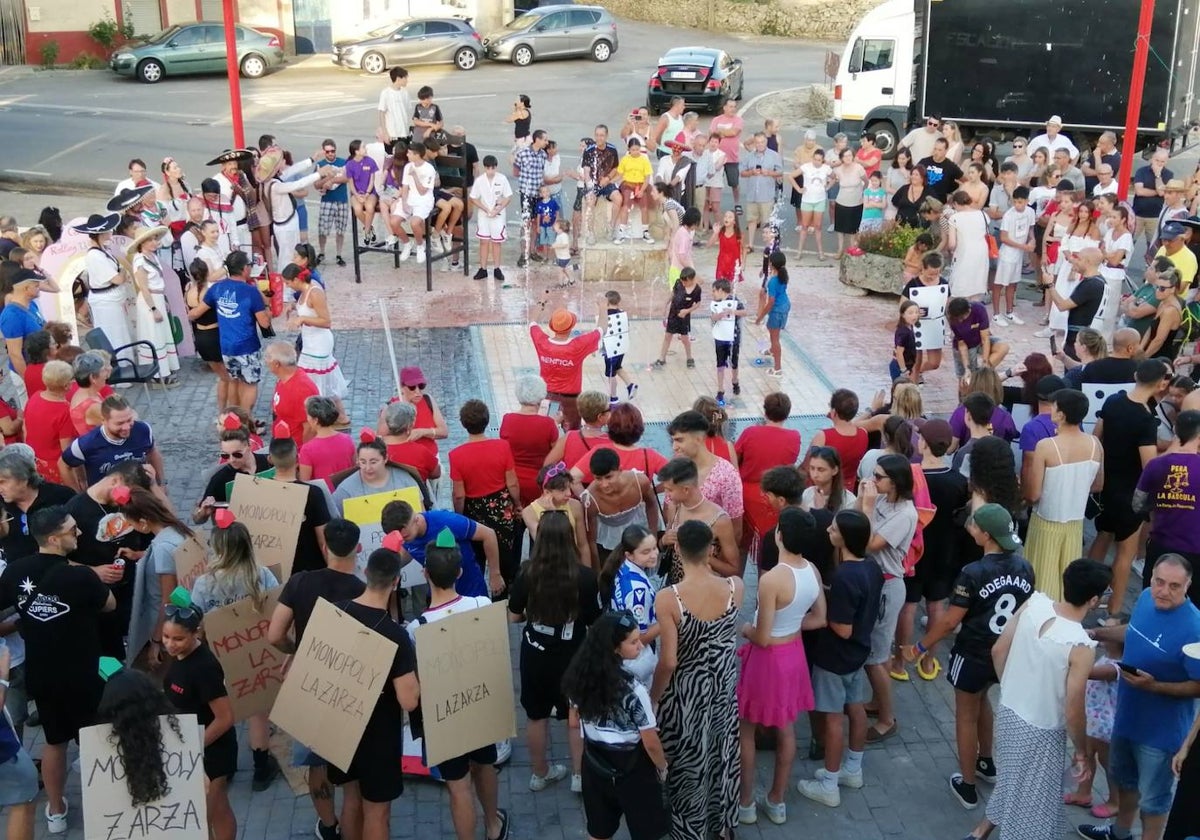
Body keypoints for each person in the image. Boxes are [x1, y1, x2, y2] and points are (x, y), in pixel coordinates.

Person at [963, 560, 1109, 840]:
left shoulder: (1033, 603)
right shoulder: (1080, 646)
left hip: (1008, 710)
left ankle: (980, 832)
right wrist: (1081, 752)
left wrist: (1013, 686)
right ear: (1094, 600)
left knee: (1012, 781)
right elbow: (1073, 708)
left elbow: (998, 650)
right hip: (1040, 730)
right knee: (1032, 809)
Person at [905, 504, 1034, 810]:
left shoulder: (973, 572)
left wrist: (919, 647)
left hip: (973, 651)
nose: (970, 528)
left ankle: (967, 783)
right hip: (1004, 653)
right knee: (984, 700)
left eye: (974, 526)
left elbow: (950, 621)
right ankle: (986, 761)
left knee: (965, 714)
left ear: (986, 535)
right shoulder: (1024, 567)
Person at [0, 506, 114, 835]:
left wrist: (20, 621)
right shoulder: (79, 575)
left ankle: (55, 809)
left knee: (54, 741)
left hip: (43, 672)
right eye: (72, 529)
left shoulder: (15, 571)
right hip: (84, 671)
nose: (78, 533)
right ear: (54, 538)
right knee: (97, 740)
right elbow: (109, 605)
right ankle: (107, 805)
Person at [1078, 555, 1200, 840]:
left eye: (1174, 586)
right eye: (1159, 582)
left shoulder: (1195, 628)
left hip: (1161, 734)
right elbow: (1134, 632)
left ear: (1188, 585)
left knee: (1154, 802)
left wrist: (1155, 687)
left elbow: (1199, 685)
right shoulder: (1146, 598)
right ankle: (1120, 834)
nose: (1163, 591)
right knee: (1125, 782)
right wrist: (1096, 632)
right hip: (1127, 717)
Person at [267, 518, 365, 840]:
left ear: (324, 547)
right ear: (358, 549)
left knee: (315, 762)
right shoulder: (363, 591)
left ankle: (328, 825)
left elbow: (274, 634)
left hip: (309, 681)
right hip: (350, 685)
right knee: (350, 763)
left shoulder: (300, 582)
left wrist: (295, 650)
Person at [406, 536, 509, 840]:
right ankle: (493, 825)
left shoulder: (417, 628)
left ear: (425, 574)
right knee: (485, 765)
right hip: (480, 703)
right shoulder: (481, 604)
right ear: (460, 573)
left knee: (458, 786)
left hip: (444, 715)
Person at [650, 519, 742, 838]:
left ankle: (691, 828)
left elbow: (670, 660)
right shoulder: (736, 587)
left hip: (686, 693)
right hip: (723, 685)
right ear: (711, 550)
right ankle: (721, 824)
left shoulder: (668, 598)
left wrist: (653, 697)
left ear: (677, 549)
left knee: (690, 760)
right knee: (721, 752)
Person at [736, 508, 825, 826]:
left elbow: (760, 636)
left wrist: (745, 629)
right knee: (786, 728)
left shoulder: (772, 579)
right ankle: (777, 799)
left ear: (780, 536)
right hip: (793, 654)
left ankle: (745, 801)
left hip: (767, 659)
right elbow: (819, 617)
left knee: (746, 728)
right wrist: (792, 629)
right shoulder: (812, 571)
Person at [325, 548, 420, 840]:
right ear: (396, 582)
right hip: (378, 735)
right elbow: (408, 700)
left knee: (351, 799)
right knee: (377, 811)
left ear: (365, 573)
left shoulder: (335, 612)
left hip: (338, 726)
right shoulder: (396, 636)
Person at [508, 512, 600, 793]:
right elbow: (594, 618)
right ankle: (579, 775)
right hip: (573, 652)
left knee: (536, 714)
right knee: (576, 714)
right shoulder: (584, 576)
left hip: (536, 650)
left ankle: (540, 773)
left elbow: (514, 616)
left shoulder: (526, 572)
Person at [797, 509, 882, 807]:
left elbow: (842, 628)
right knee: (855, 707)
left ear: (844, 539)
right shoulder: (870, 567)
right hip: (858, 653)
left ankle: (830, 784)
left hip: (835, 655)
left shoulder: (845, 575)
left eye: (833, 529)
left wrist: (821, 607)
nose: (828, 531)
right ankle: (852, 769)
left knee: (833, 719)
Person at [561, 610, 670, 840]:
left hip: (594, 763)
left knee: (598, 831)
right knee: (646, 832)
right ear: (615, 648)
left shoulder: (578, 677)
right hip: (633, 769)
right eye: (633, 642)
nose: (640, 645)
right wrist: (662, 767)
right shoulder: (634, 690)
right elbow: (650, 742)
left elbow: (573, 722)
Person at [1092, 359, 1168, 617]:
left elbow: (1097, 436)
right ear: (1160, 384)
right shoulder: (1146, 420)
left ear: (1136, 375)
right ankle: (1113, 611)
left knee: (1102, 538)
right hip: (1130, 494)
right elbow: (1149, 466)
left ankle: (1083, 592)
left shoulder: (1113, 401)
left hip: (1107, 486)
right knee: (1126, 552)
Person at [859, 453, 918, 744]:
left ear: (895, 482)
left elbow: (868, 543)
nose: (873, 480)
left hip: (887, 586)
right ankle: (876, 702)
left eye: (879, 477)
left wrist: (867, 506)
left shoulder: (905, 514)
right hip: (873, 581)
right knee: (873, 653)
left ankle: (887, 719)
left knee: (875, 656)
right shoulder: (884, 500)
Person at [1025, 389, 1104, 601]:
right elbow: (1098, 484)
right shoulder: (1095, 444)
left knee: (1042, 583)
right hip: (1075, 522)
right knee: (1067, 581)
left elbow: (1033, 494)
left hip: (1045, 521)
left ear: (1061, 414)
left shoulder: (1046, 446)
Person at [187, 251, 272, 413]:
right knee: (250, 384)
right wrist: (267, 306)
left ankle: (234, 417)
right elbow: (264, 323)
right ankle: (246, 420)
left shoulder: (217, 288)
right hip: (247, 346)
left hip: (226, 346)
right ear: (244, 269)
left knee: (234, 380)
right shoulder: (250, 291)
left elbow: (195, 313)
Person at [449, 400, 522, 585]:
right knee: (506, 555)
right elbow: (512, 483)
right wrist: (518, 504)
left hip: (474, 511)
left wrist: (459, 516)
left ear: (463, 424)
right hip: (501, 507)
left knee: (476, 559)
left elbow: (459, 495)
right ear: (487, 420)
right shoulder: (502, 447)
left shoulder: (456, 455)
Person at [1134, 410, 1200, 607]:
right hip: (1194, 549)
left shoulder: (1156, 465)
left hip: (1161, 545)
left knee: (1152, 600)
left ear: (1175, 431)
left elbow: (1137, 504)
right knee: (1192, 608)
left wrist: (1161, 505)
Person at [386, 499, 503, 598]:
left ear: (416, 520)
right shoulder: (407, 536)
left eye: (405, 537)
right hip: (440, 598)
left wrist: (495, 574)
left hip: (471, 591)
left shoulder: (447, 521)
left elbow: (488, 534)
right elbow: (404, 555)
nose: (403, 540)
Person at [734, 392, 802, 554]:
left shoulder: (750, 432)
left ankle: (736, 579)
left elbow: (734, 459)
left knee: (741, 548)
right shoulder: (794, 437)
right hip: (775, 500)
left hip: (746, 497)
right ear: (787, 413)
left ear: (765, 411)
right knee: (769, 550)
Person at [59, 395, 164, 490]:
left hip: (142, 494)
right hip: (108, 503)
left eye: (129, 420)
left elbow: (152, 452)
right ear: (104, 421)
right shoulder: (87, 443)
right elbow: (63, 464)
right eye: (120, 423)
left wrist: (161, 483)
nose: (126, 427)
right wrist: (76, 492)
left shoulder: (143, 430)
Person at [283, 265, 347, 416]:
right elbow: (307, 309)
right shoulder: (303, 293)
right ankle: (340, 415)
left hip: (319, 343)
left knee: (315, 382)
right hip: (310, 342)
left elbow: (326, 321)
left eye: (288, 282)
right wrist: (294, 307)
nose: (288, 286)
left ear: (297, 279)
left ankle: (321, 414)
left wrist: (303, 318)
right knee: (321, 381)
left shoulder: (315, 293)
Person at [581, 449, 657, 568]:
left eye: (608, 477)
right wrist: (597, 571)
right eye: (598, 479)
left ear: (620, 470)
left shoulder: (639, 482)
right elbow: (591, 540)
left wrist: (654, 537)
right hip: (608, 543)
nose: (604, 484)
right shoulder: (590, 500)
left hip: (639, 532)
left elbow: (652, 505)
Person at [529, 309, 600, 431]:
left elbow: (532, 323)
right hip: (571, 400)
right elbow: (601, 329)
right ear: (571, 327)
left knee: (545, 431)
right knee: (571, 435)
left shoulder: (542, 342)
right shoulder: (578, 345)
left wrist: (541, 304)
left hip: (547, 396)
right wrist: (603, 307)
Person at [330, 439, 424, 515]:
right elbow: (334, 519)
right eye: (363, 462)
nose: (367, 468)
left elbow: (422, 514)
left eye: (373, 462)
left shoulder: (404, 480)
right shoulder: (346, 489)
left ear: (385, 458)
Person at [521, 464, 587, 560]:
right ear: (547, 492)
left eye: (569, 487)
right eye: (562, 490)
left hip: (573, 562)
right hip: (547, 564)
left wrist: (586, 571)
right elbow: (545, 545)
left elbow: (583, 545)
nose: (569, 493)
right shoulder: (529, 512)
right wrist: (552, 513)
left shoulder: (575, 505)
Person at [469, 155, 513, 281]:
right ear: (485, 168)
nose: (490, 171)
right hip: (484, 215)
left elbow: (508, 197)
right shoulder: (479, 181)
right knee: (483, 241)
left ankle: (497, 268)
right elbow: (473, 198)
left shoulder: (502, 179)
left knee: (496, 242)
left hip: (498, 216)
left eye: (493, 168)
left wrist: (498, 209)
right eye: (488, 168)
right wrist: (485, 209)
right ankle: (482, 269)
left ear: (496, 167)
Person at [299, 396, 355, 486]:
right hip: (345, 493)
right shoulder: (348, 440)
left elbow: (304, 482)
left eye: (308, 415)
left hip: (323, 497)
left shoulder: (307, 449)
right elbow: (353, 468)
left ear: (315, 420)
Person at [654, 266, 701, 371]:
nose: (683, 284)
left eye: (685, 282)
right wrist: (665, 304)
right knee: (667, 336)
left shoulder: (697, 289)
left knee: (685, 338)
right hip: (673, 314)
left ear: (691, 280)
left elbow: (697, 304)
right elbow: (673, 294)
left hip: (684, 316)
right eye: (682, 282)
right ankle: (662, 358)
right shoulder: (678, 283)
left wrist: (687, 311)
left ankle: (689, 357)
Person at [597, 291, 637, 404]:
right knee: (618, 367)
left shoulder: (605, 315)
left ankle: (613, 397)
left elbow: (599, 330)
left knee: (611, 374)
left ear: (607, 302)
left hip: (610, 349)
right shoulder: (622, 314)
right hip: (620, 348)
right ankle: (630, 385)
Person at [755, 251, 790, 377]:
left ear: (772, 264)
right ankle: (771, 350)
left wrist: (760, 317)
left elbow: (770, 302)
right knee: (772, 330)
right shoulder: (782, 276)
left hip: (777, 310)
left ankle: (777, 368)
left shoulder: (773, 281)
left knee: (775, 338)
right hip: (785, 306)